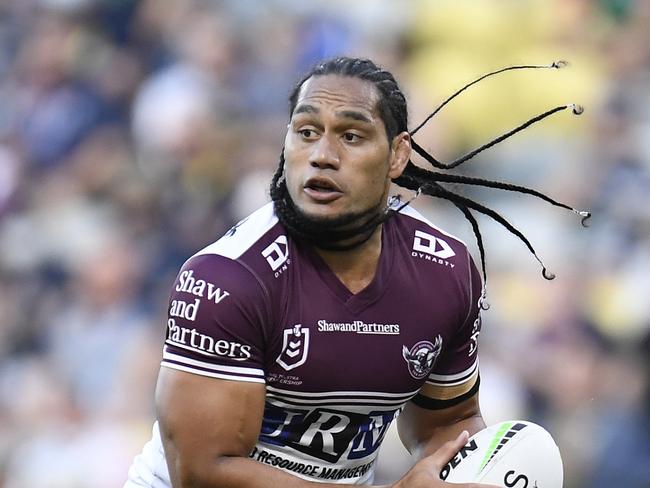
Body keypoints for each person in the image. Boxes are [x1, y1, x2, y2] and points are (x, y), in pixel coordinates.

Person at [125, 57, 586, 488]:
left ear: (398, 156)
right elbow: (205, 472)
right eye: (306, 132)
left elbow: (445, 424)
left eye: (351, 136)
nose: (322, 154)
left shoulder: (446, 271)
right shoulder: (226, 279)